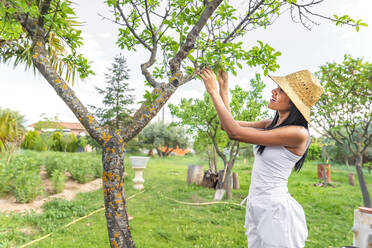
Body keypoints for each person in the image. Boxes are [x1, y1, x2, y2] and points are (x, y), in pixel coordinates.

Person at [197, 68, 323, 248]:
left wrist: (213, 92)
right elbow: (228, 126)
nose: (274, 91)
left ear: (294, 102)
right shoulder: (269, 125)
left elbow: (235, 133)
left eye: (281, 90)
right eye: (276, 88)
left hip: (275, 210)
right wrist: (224, 89)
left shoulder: (298, 133)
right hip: (256, 204)